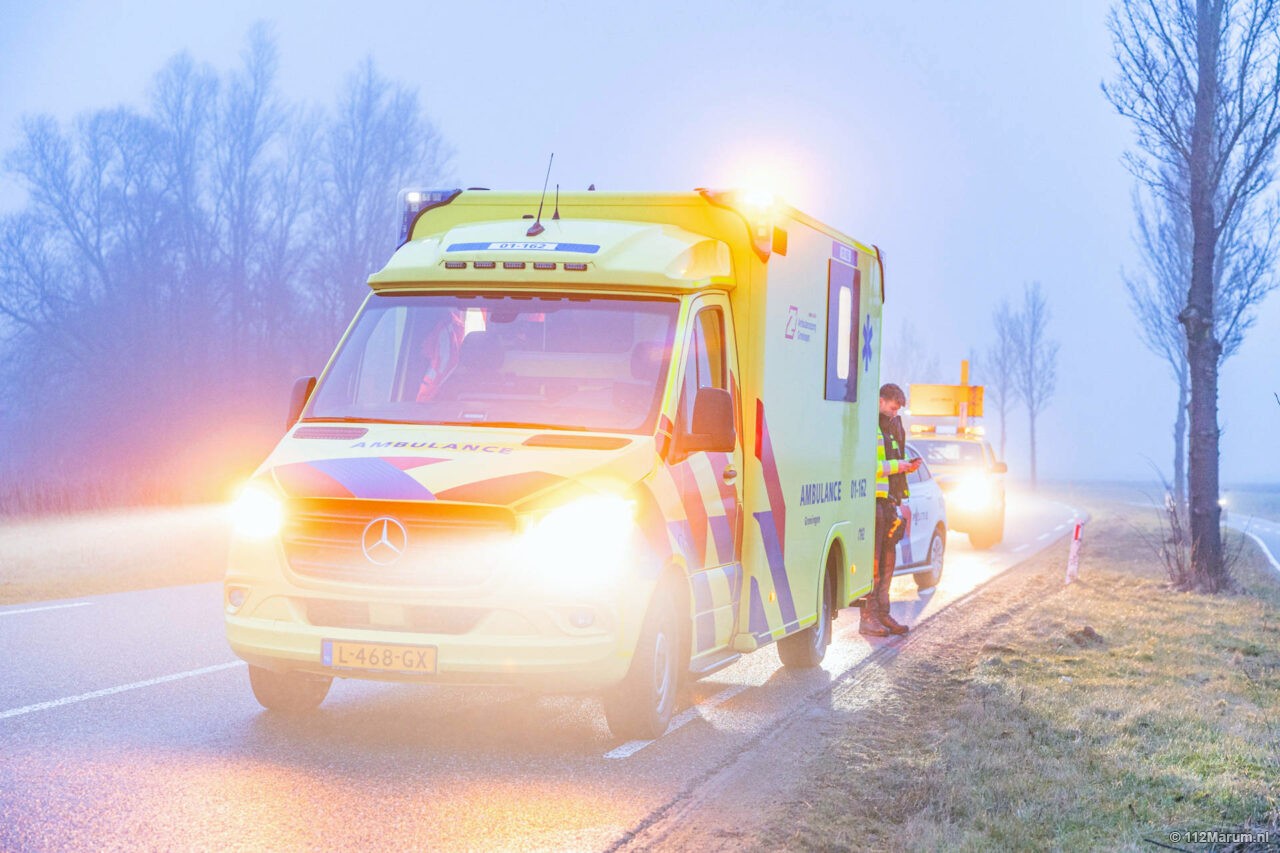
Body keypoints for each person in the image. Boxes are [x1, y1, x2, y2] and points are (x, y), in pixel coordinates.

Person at [860, 382, 923, 637]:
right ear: (880, 400)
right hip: (872, 500)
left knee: (887, 561)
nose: (895, 413)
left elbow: (891, 460)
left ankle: (883, 614)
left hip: (888, 501)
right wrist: (900, 466)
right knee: (874, 563)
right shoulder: (868, 424)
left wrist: (905, 469)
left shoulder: (892, 426)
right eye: (893, 408)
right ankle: (869, 617)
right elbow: (867, 465)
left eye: (898, 410)